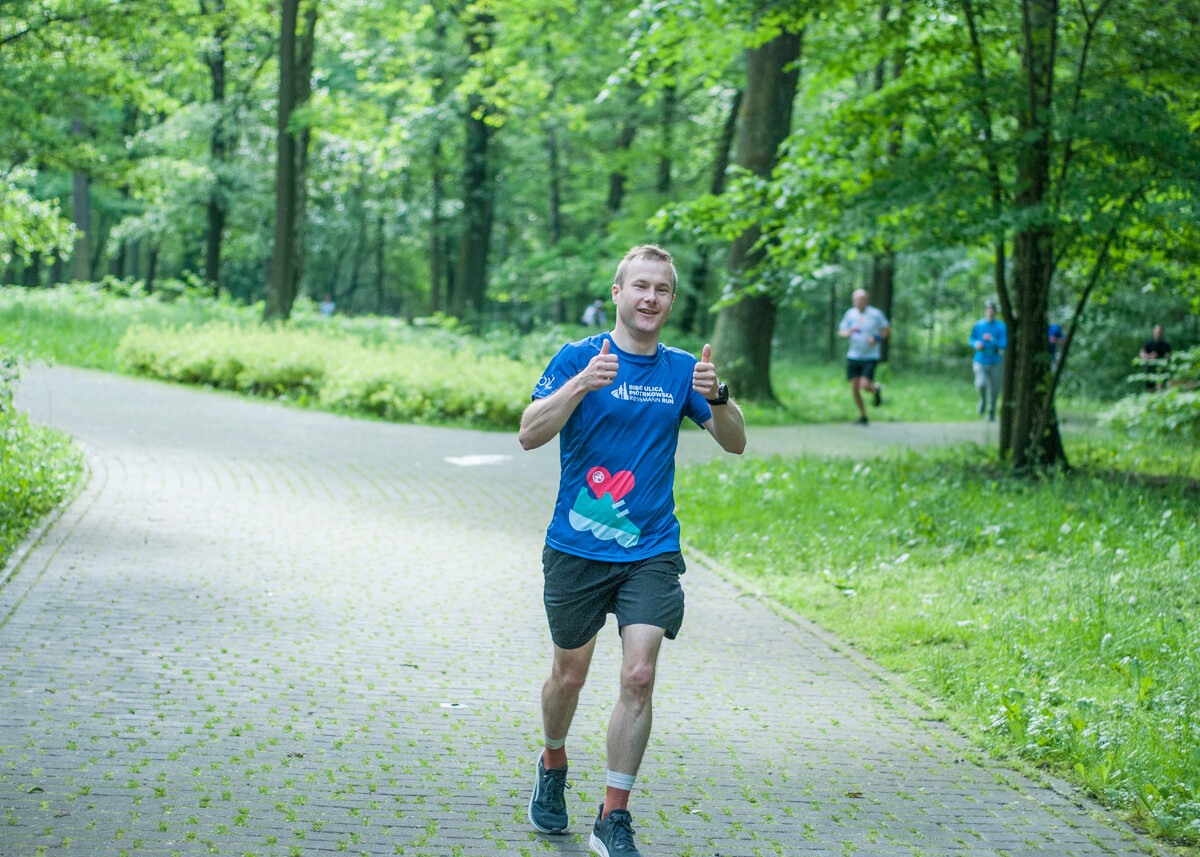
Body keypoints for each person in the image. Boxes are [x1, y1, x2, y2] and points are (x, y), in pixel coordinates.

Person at [519, 244, 746, 857]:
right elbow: (528, 433)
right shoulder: (577, 357)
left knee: (639, 674)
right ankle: (553, 760)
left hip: (651, 548)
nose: (651, 298)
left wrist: (718, 397)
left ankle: (613, 814)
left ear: (671, 300)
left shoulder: (680, 370)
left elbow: (735, 444)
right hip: (576, 548)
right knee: (570, 674)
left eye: (663, 290)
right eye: (640, 286)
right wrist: (579, 386)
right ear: (618, 293)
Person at [838, 289, 890, 425]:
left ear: (867, 300)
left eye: (861, 299)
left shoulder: (875, 314)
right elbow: (841, 331)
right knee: (855, 387)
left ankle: (875, 390)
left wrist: (877, 337)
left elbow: (886, 329)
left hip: (870, 356)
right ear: (853, 301)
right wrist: (847, 333)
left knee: (865, 385)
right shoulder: (850, 314)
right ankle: (863, 416)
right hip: (854, 355)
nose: (858, 302)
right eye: (856, 300)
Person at [969, 299, 1007, 421]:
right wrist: (976, 344)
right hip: (980, 359)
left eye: (992, 310)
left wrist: (992, 340)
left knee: (995, 388)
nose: (990, 312)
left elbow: (1004, 343)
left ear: (995, 312)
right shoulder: (979, 325)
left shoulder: (1001, 327)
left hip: (995, 360)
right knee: (981, 383)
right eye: (988, 310)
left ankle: (991, 411)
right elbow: (971, 340)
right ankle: (982, 400)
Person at [1138, 324, 1171, 391]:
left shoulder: (1166, 344)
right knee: (1150, 390)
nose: (1158, 333)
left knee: (1160, 389)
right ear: (1154, 332)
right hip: (1150, 370)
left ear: (1162, 333)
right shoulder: (1149, 343)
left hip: (1161, 370)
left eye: (1160, 332)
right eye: (1157, 332)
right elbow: (1141, 354)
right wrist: (1149, 356)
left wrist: (1167, 358)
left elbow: (1169, 356)